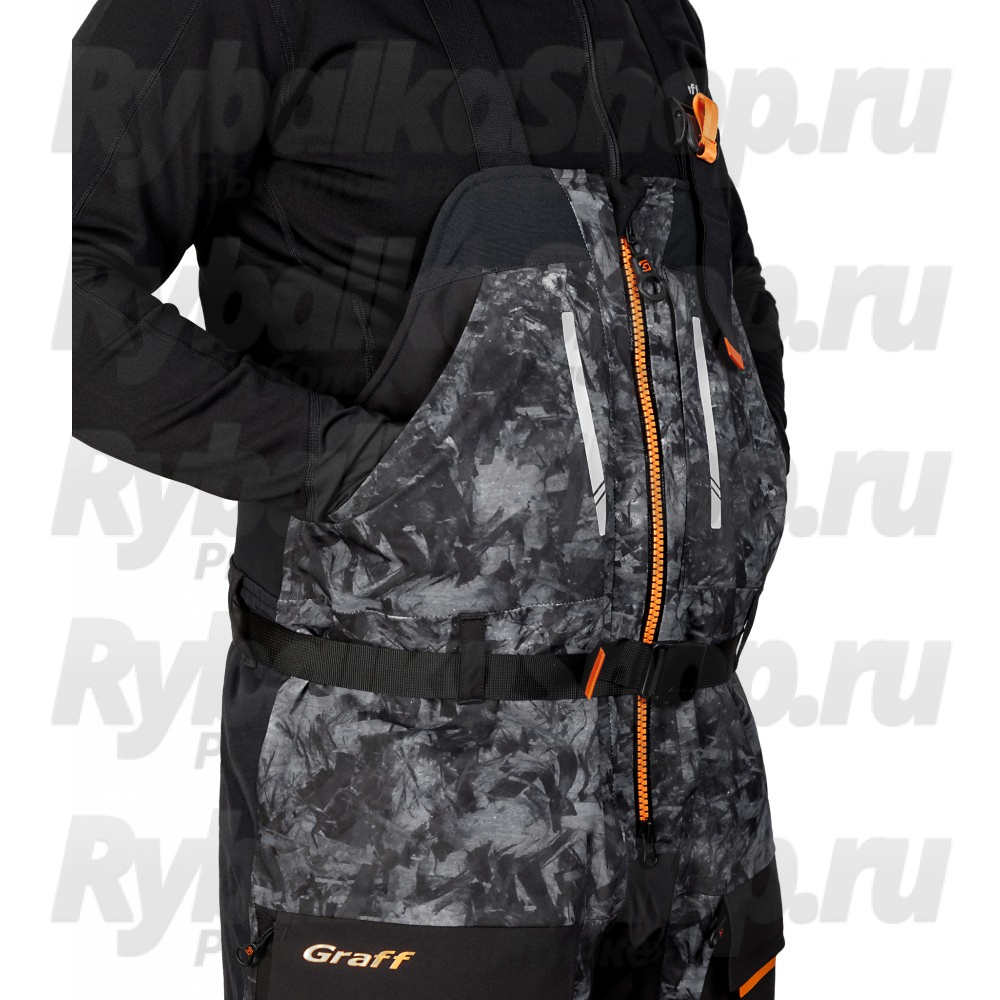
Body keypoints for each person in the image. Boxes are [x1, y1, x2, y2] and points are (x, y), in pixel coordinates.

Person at [73, 2, 789, 998]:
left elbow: (723, 292)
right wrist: (350, 468)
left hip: (700, 806)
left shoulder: (653, 14)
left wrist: (760, 455)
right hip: (409, 823)